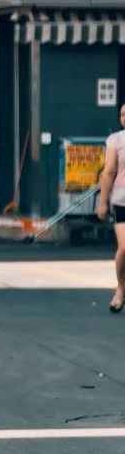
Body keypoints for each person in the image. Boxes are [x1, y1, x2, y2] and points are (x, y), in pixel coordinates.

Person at [96, 102, 125, 312]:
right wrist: (103, 202)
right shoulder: (116, 140)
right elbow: (108, 172)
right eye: (123, 114)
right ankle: (121, 288)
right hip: (122, 200)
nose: (124, 118)